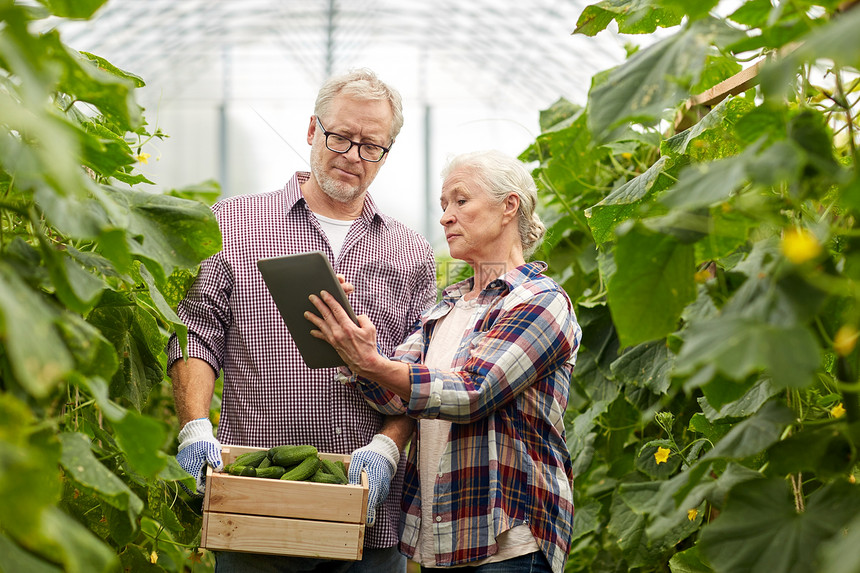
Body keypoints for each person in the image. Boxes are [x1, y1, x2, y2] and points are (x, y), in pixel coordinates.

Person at [166, 68, 437, 573]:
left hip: (367, 517)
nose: (353, 156)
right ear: (313, 130)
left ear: (385, 154)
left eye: (371, 145)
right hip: (256, 498)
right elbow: (195, 332)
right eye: (340, 137)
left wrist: (387, 445)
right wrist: (195, 424)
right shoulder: (233, 224)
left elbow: (421, 372)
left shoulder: (411, 252)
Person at [307, 150, 582, 573]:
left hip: (509, 544)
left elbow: (473, 392)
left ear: (509, 206)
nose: (446, 217)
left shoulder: (541, 302)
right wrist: (347, 340)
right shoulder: (446, 308)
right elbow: (392, 397)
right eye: (442, 205)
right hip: (444, 539)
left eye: (461, 200)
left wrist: (372, 363)